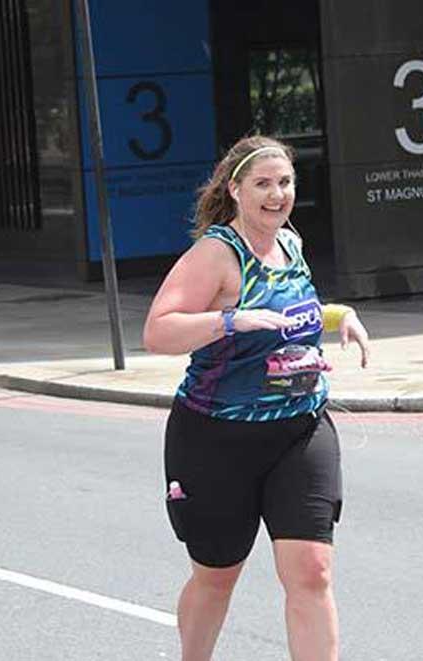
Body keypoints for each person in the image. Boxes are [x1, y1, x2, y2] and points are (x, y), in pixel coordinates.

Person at [143, 135, 371, 661]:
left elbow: (287, 315)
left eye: (285, 182)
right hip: (217, 437)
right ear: (235, 189)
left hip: (300, 429)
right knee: (216, 575)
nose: (277, 194)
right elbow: (158, 331)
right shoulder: (217, 254)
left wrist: (340, 316)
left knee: (312, 571)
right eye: (263, 184)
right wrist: (229, 321)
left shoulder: (290, 244)